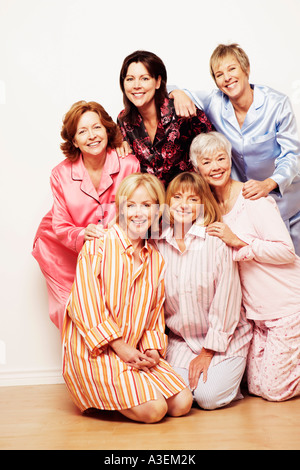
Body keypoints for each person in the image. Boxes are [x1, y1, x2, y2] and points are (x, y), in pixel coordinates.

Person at [62, 173, 193, 423]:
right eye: (131, 205)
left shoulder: (155, 259)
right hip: (95, 352)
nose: (138, 213)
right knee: (155, 410)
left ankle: (130, 386)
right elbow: (84, 306)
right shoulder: (97, 246)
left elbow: (155, 316)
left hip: (134, 351)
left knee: (182, 403)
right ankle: (98, 395)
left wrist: (153, 350)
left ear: (157, 212)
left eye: (147, 205)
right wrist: (120, 347)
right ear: (121, 208)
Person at [190, 131, 300, 402]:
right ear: (196, 167)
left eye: (221, 158)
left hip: (286, 306)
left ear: (230, 159)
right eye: (207, 162)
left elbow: (285, 251)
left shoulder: (253, 197)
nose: (216, 166)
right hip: (256, 314)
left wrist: (238, 242)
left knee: (274, 391)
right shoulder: (210, 207)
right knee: (255, 387)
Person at [169, 43, 300, 255]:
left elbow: (292, 155)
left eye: (232, 69)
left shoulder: (277, 103)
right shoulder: (214, 102)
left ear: (245, 68)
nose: (227, 77)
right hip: (243, 204)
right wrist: (178, 92)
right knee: (251, 262)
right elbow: (166, 87)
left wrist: (268, 184)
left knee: (288, 262)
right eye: (219, 74)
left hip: (286, 201)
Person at [32, 101, 140, 332]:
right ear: (74, 140)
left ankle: (107, 368)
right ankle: (77, 366)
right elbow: (60, 226)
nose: (92, 136)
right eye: (82, 131)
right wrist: (83, 233)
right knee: (71, 312)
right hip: (62, 253)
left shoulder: (129, 165)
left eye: (97, 127)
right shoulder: (60, 173)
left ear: (107, 130)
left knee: (111, 315)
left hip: (110, 253)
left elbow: (137, 214)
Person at [157, 172, 252, 410]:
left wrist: (207, 352)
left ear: (203, 204)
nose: (184, 205)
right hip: (182, 341)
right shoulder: (157, 244)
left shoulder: (216, 241)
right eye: (177, 197)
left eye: (192, 199)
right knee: (177, 396)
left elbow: (227, 303)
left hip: (225, 338)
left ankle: (234, 375)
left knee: (208, 398)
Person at [117, 50, 213, 187]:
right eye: (130, 79)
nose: (136, 85)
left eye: (144, 78)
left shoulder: (181, 109)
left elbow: (214, 148)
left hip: (188, 199)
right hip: (151, 202)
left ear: (157, 82)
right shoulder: (124, 120)